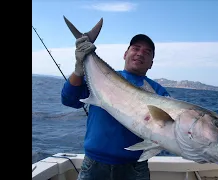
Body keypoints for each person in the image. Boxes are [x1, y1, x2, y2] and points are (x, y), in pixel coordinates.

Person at [61, 34, 171, 180]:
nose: (140, 53)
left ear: (151, 63)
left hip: (135, 167)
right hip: (94, 163)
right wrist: (78, 71)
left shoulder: (159, 92)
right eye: (136, 48)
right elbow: (69, 100)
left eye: (147, 52)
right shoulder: (101, 77)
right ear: (125, 54)